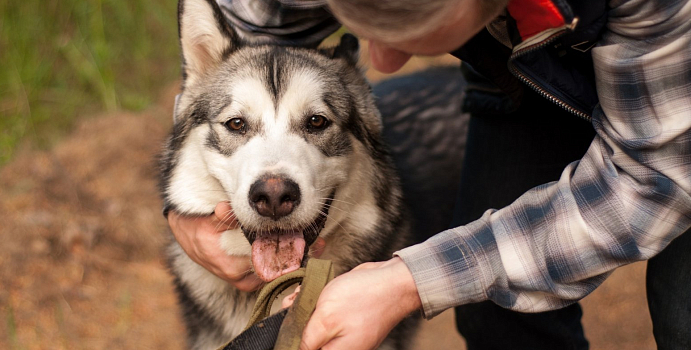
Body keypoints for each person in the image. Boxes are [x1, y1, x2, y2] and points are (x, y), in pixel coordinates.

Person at [167, 0, 691, 349]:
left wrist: (411, 280)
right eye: (362, 19)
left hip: (672, 97)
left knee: (682, 317)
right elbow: (225, 66)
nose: (379, 61)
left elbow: (656, 184)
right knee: (496, 311)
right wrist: (180, 212)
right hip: (517, 70)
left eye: (410, 36)